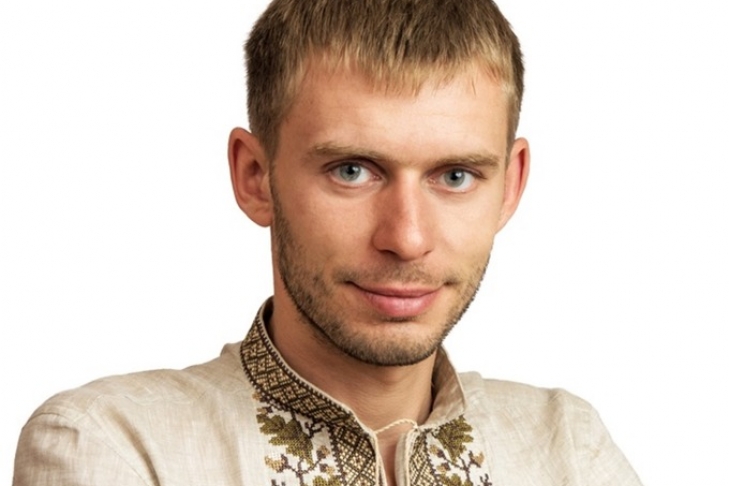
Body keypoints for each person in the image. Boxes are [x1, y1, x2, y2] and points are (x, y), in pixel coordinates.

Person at [13, 0, 643, 485]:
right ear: (255, 177)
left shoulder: (567, 447)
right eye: (352, 171)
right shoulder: (116, 444)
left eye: (455, 176)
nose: (407, 238)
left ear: (510, 187)